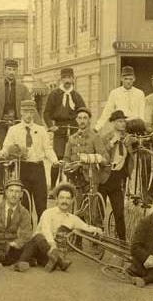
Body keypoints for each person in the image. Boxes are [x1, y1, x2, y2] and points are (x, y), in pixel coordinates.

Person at [0, 99, 57, 216]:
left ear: (34, 113)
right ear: (21, 112)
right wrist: (3, 153)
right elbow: (6, 146)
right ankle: (27, 231)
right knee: (25, 205)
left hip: (38, 169)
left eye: (31, 112)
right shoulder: (14, 130)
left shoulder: (41, 130)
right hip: (22, 168)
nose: (28, 115)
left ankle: (42, 231)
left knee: (41, 204)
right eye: (26, 111)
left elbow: (48, 149)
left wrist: (55, 161)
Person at [31, 183, 103, 272]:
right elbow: (46, 231)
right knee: (39, 237)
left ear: (72, 200)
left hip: (53, 253)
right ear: (57, 199)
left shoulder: (72, 218)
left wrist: (97, 229)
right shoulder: (48, 213)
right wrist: (52, 245)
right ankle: (60, 262)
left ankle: (51, 261)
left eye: (68, 198)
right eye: (61, 198)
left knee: (52, 256)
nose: (64, 201)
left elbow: (85, 226)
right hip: (40, 248)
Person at [43, 67, 86, 185]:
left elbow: (83, 111)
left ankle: (73, 184)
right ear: (61, 79)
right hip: (59, 129)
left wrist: (81, 126)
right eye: (65, 78)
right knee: (57, 158)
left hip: (73, 129)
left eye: (69, 78)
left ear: (73, 79)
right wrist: (51, 126)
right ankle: (52, 186)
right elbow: (46, 113)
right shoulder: (54, 94)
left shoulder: (76, 96)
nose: (67, 80)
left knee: (73, 157)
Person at [0, 179, 34, 272]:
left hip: (12, 247)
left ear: (21, 194)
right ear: (6, 192)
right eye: (11, 191)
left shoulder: (24, 212)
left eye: (17, 191)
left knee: (32, 243)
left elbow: (26, 234)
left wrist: (15, 243)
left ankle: (17, 263)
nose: (14, 195)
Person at [100, 110, 132, 240]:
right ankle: (97, 240)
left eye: (124, 121)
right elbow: (101, 154)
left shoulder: (128, 138)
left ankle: (122, 241)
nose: (123, 124)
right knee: (100, 211)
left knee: (119, 212)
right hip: (104, 178)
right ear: (113, 123)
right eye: (119, 121)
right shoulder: (105, 137)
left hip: (118, 178)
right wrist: (113, 142)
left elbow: (135, 149)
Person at [62, 107, 110, 194]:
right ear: (76, 120)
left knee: (91, 204)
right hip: (74, 177)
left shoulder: (95, 137)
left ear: (89, 120)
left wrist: (98, 159)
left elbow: (105, 157)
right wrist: (66, 165)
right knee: (76, 205)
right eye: (80, 118)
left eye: (85, 118)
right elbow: (66, 158)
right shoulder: (71, 138)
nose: (82, 121)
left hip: (90, 177)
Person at [0, 59, 33, 145]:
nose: (11, 72)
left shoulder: (23, 88)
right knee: (1, 146)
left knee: (17, 146)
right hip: (0, 123)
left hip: (17, 122)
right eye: (9, 69)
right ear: (4, 70)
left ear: (17, 71)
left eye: (14, 70)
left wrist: (39, 126)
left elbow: (30, 107)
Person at [95, 65, 145, 132]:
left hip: (136, 126)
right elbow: (107, 111)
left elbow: (142, 113)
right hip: (121, 126)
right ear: (121, 79)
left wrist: (142, 127)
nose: (128, 81)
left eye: (130, 79)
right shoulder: (115, 93)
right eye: (126, 79)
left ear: (134, 79)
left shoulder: (140, 93)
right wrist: (97, 127)